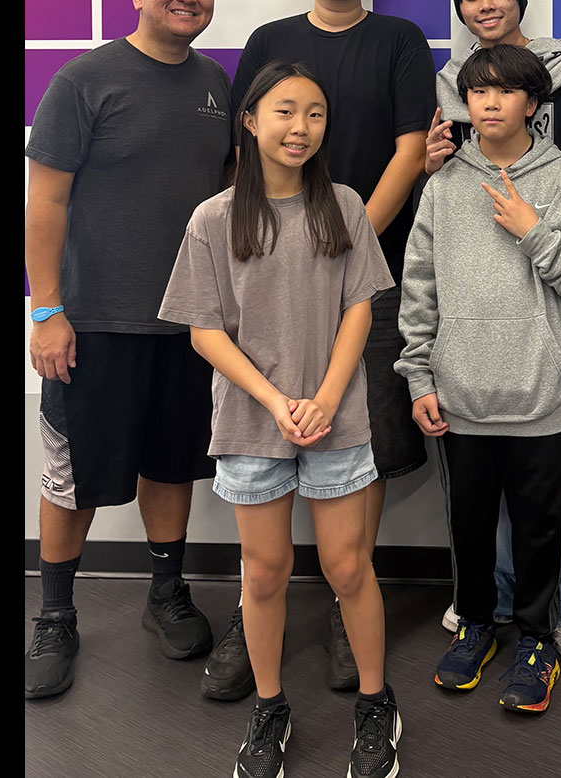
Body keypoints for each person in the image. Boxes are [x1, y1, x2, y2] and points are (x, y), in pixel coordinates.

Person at [158, 62, 404, 778]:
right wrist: (275, 401)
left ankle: (375, 703)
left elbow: (359, 308)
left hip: (337, 417)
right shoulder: (213, 218)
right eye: (286, 111)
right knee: (263, 574)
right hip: (251, 421)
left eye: (315, 114)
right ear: (250, 119)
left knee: (348, 567)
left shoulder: (345, 206)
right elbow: (204, 331)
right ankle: (269, 708)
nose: (301, 127)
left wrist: (325, 397)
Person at [225, 0, 436, 697]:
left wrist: (345, 243)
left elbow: (411, 149)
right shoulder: (269, 42)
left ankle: (352, 610)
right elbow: (240, 153)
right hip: (267, 272)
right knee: (263, 426)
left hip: (365, 269)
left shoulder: (399, 40)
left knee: (358, 428)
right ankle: (255, 613)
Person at [23, 0, 231, 701]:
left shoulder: (216, 84)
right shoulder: (84, 80)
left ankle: (166, 593)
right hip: (94, 322)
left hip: (189, 325)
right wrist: (47, 309)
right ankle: (55, 616)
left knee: (171, 464)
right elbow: (44, 200)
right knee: (74, 475)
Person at [398, 43, 561, 714]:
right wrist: (419, 378)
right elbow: (419, 288)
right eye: (478, 91)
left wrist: (533, 231)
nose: (489, 103)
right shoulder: (443, 184)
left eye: (505, 90)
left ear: (533, 103)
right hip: (461, 395)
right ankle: (476, 624)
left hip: (540, 395)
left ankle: (538, 638)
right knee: (470, 527)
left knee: (540, 527)